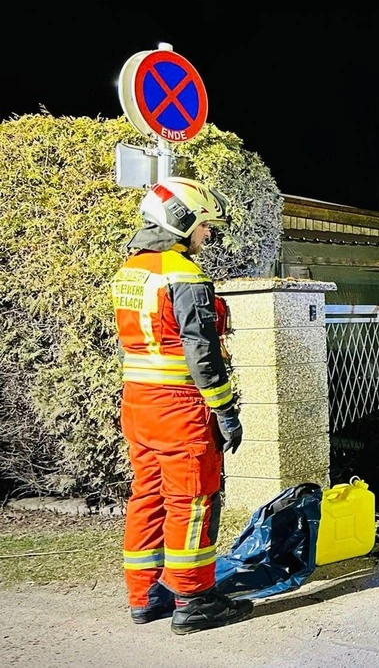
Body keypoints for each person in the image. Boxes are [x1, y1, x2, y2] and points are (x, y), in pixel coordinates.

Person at [111, 177, 254, 635]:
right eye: (204, 226)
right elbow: (202, 354)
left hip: (137, 404)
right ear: (181, 220)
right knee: (192, 501)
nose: (207, 235)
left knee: (147, 497)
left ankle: (146, 596)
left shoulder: (130, 271)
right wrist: (226, 410)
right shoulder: (184, 275)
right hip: (179, 409)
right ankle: (193, 600)